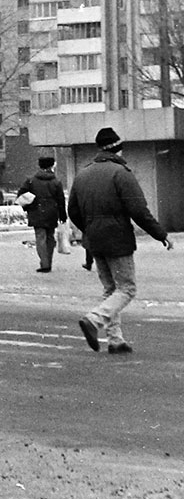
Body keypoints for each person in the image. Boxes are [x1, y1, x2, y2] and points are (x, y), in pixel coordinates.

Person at [69, 127, 174, 354]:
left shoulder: (83, 174)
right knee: (126, 288)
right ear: (118, 148)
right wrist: (161, 234)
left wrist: (90, 228)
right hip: (117, 238)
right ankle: (94, 319)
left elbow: (73, 211)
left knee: (110, 289)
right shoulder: (121, 173)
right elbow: (138, 210)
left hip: (94, 240)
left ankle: (115, 339)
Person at [16, 156, 67, 273]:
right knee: (50, 238)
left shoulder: (31, 181)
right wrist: (62, 215)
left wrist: (28, 207)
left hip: (36, 212)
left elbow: (21, 195)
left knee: (40, 238)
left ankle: (44, 263)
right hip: (52, 213)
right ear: (51, 166)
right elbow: (61, 200)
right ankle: (49, 261)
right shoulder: (56, 182)